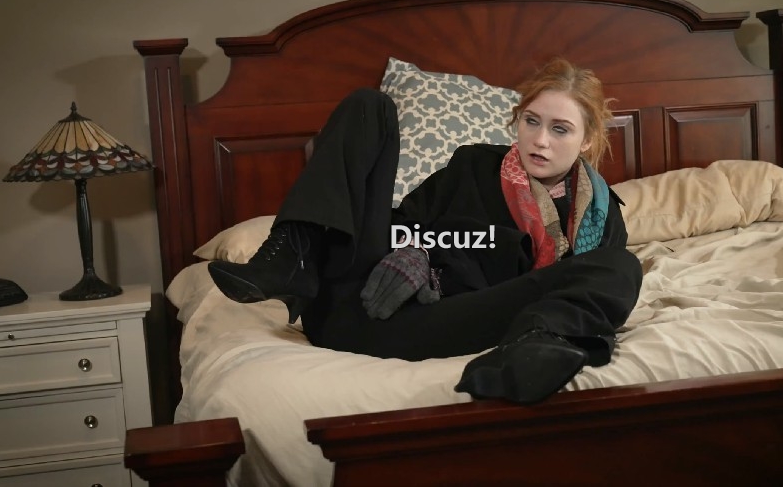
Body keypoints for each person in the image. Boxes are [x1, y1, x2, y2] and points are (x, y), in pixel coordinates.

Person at [208, 57, 643, 405]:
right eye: (532, 121)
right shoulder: (474, 165)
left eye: (560, 129)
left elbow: (587, 296)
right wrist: (417, 251)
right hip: (364, 304)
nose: (540, 140)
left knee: (620, 267)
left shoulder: (603, 215)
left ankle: (532, 352)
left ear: (587, 140)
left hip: (463, 319)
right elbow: (399, 227)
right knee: (369, 106)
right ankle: (291, 255)